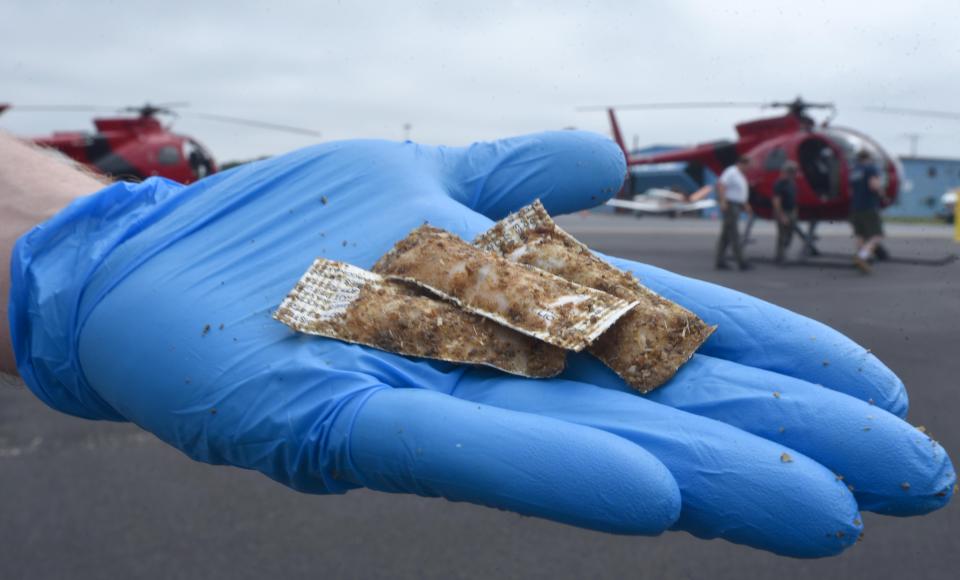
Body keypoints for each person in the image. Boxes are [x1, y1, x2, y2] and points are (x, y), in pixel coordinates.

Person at [0, 130, 953, 559]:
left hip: (132, 242)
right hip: (295, 287)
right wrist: (88, 267)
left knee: (619, 341)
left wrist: (95, 236)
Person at [849, 149, 886, 273]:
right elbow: (874, 185)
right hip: (869, 207)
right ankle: (862, 257)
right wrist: (882, 193)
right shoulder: (870, 169)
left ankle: (860, 258)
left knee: (860, 235)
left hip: (855, 208)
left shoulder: (854, 171)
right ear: (868, 158)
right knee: (876, 236)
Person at [714, 155, 753, 270]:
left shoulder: (739, 175)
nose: (748, 169)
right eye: (747, 166)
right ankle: (741, 261)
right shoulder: (731, 172)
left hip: (736, 205)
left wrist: (745, 205)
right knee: (734, 234)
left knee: (726, 235)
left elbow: (740, 192)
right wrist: (723, 201)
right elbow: (721, 185)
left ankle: (720, 260)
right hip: (731, 205)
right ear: (742, 163)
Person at [772, 160, 800, 264]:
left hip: (792, 212)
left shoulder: (792, 183)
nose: (793, 174)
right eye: (791, 171)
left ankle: (782, 253)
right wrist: (782, 215)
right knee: (782, 235)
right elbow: (776, 201)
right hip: (783, 212)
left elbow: (794, 198)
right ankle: (780, 257)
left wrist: (795, 211)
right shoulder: (779, 184)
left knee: (790, 234)